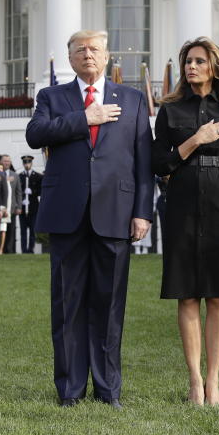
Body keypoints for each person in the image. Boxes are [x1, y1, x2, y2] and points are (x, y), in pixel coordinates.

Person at [26, 29, 152, 409]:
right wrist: (85, 118)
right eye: (80, 50)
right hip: (67, 214)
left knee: (110, 305)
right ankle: (69, 389)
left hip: (116, 213)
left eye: (95, 49)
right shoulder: (52, 97)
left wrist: (142, 212)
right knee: (68, 305)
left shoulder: (132, 99)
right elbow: (35, 135)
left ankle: (108, 388)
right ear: (70, 59)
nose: (88, 55)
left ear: (108, 55)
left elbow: (144, 160)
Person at [151, 37, 219, 406]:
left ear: (214, 66)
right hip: (180, 202)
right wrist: (196, 139)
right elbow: (158, 164)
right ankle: (194, 380)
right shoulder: (170, 109)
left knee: (218, 296)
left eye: (198, 61)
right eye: (187, 61)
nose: (190, 67)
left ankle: (214, 381)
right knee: (187, 294)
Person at [18, 155, 43, 254]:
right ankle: (24, 250)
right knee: (23, 231)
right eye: (25, 163)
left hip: (33, 207)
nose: (27, 164)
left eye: (28, 162)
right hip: (23, 207)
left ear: (31, 163)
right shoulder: (19, 176)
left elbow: (41, 191)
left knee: (32, 230)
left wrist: (33, 191)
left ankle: (30, 249)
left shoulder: (38, 176)